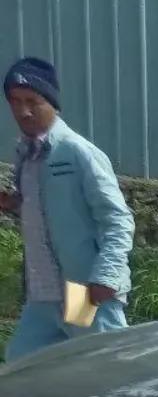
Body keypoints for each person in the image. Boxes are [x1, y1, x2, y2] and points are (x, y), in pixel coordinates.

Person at [0, 57, 133, 362]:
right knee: (21, 369)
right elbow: (57, 211)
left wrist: (106, 276)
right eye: (15, 102)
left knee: (104, 369)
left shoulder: (76, 152)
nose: (23, 111)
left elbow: (118, 220)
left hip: (81, 292)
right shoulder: (27, 152)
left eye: (32, 101)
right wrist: (17, 204)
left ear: (52, 102)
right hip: (43, 295)